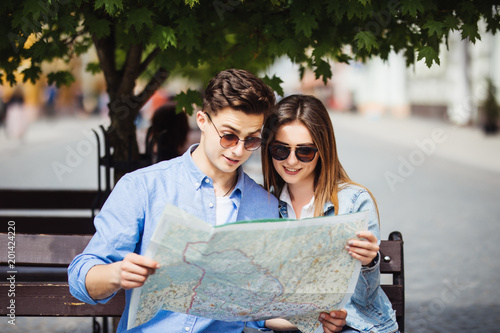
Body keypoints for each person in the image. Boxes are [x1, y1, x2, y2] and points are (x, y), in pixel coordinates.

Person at [68, 69, 280, 332]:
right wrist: (117, 274)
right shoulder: (143, 187)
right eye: (228, 136)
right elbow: (80, 279)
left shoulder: (265, 207)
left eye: (252, 140)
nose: (238, 150)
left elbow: (257, 307)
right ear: (202, 120)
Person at [261, 94, 399, 333]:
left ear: (323, 150)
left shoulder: (354, 202)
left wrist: (369, 263)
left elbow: (364, 301)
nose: (291, 161)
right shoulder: (262, 204)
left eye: (304, 151)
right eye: (281, 150)